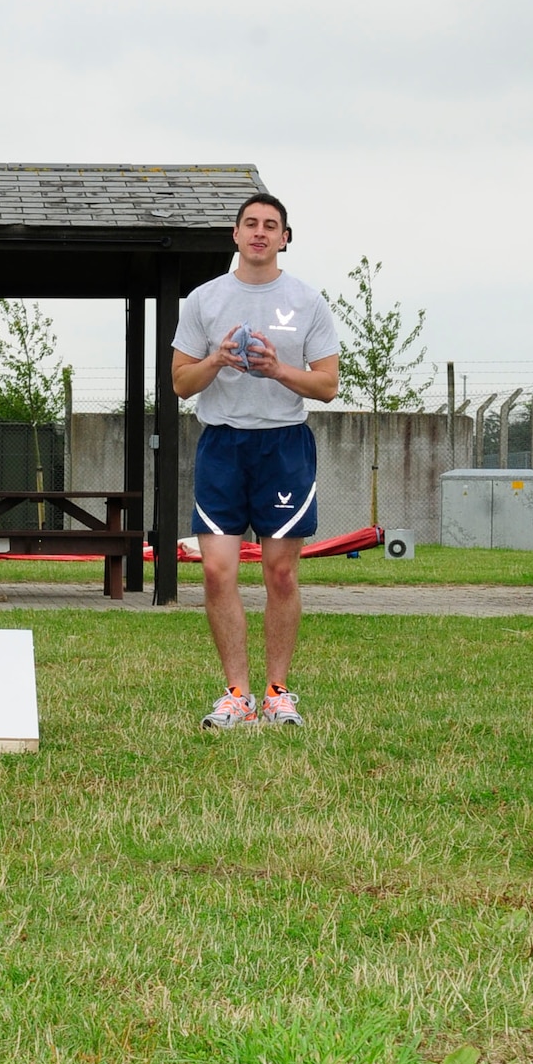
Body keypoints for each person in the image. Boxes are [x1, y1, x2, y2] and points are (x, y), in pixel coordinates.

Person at [172, 193, 340, 729]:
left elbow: (329, 385)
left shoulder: (308, 301)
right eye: (251, 224)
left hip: (283, 446)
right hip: (222, 446)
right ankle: (236, 695)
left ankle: (277, 692)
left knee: (281, 573)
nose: (261, 233)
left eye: (272, 225)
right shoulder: (204, 299)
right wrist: (218, 358)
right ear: (236, 234)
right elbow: (180, 383)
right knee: (219, 573)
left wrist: (278, 370)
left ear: (285, 237)